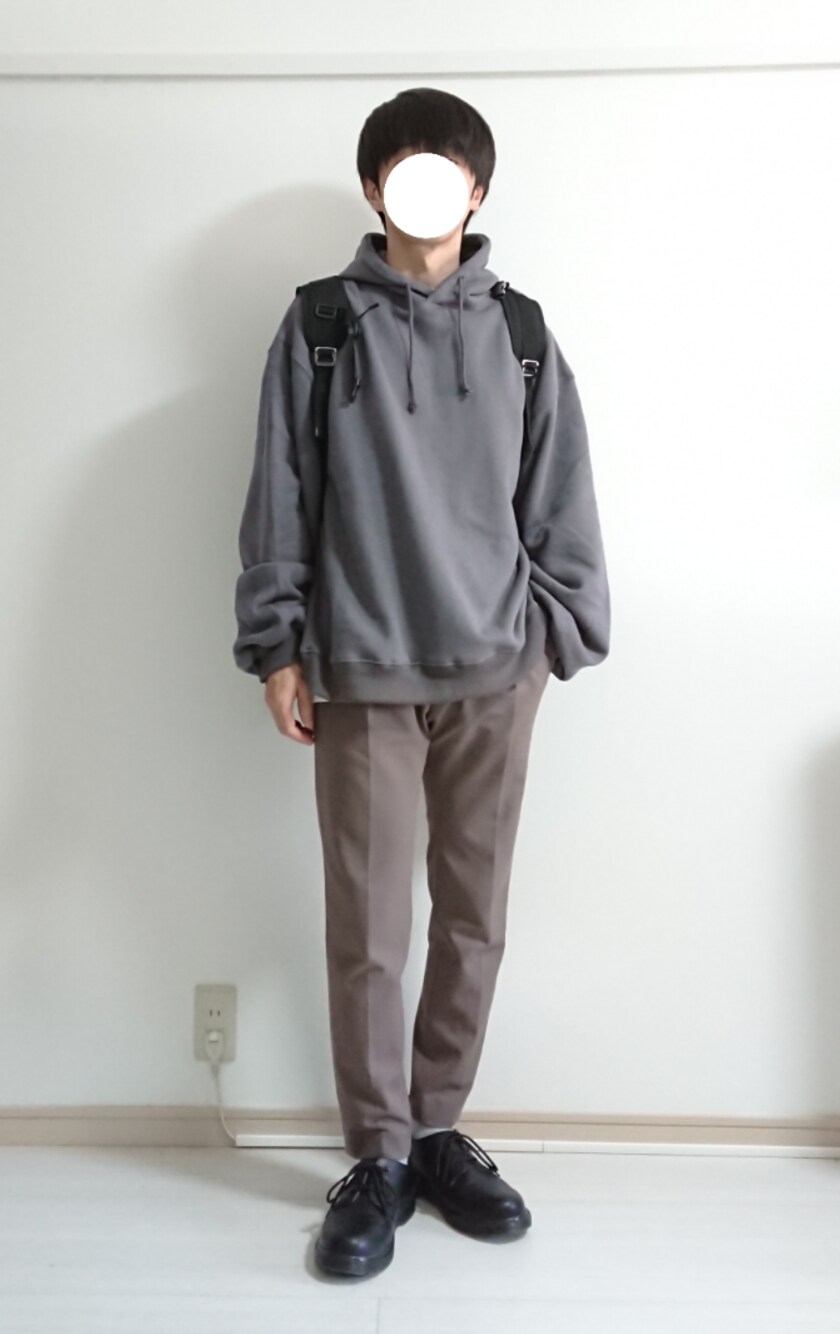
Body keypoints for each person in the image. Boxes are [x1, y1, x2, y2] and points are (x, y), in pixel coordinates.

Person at [232, 86, 610, 1280]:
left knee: (473, 912)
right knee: (368, 926)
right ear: (373, 187)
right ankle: (379, 1153)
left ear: (478, 191)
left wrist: (554, 634)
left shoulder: (523, 332)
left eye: (448, 173)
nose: (428, 192)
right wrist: (276, 645)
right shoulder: (320, 322)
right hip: (361, 667)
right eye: (403, 171)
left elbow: (560, 492)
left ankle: (438, 1128)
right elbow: (280, 493)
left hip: (497, 668)